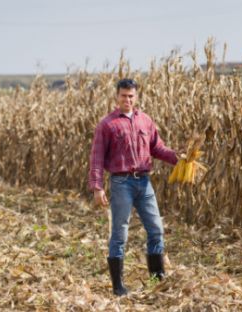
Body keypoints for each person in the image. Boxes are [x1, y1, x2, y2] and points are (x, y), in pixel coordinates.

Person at [88, 78, 178, 296]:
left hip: (144, 182)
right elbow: (97, 158)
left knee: (156, 229)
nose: (127, 99)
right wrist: (97, 187)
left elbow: (157, 148)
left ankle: (157, 279)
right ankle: (118, 287)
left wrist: (179, 159)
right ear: (116, 97)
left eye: (131, 96)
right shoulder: (107, 124)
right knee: (120, 234)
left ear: (136, 97)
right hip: (121, 183)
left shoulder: (145, 121)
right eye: (123, 95)